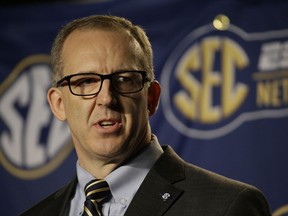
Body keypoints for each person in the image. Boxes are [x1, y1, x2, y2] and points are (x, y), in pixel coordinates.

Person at [20, 15, 271, 216]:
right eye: (86, 81)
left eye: (124, 80)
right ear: (58, 103)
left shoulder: (228, 206)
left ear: (151, 98)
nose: (106, 98)